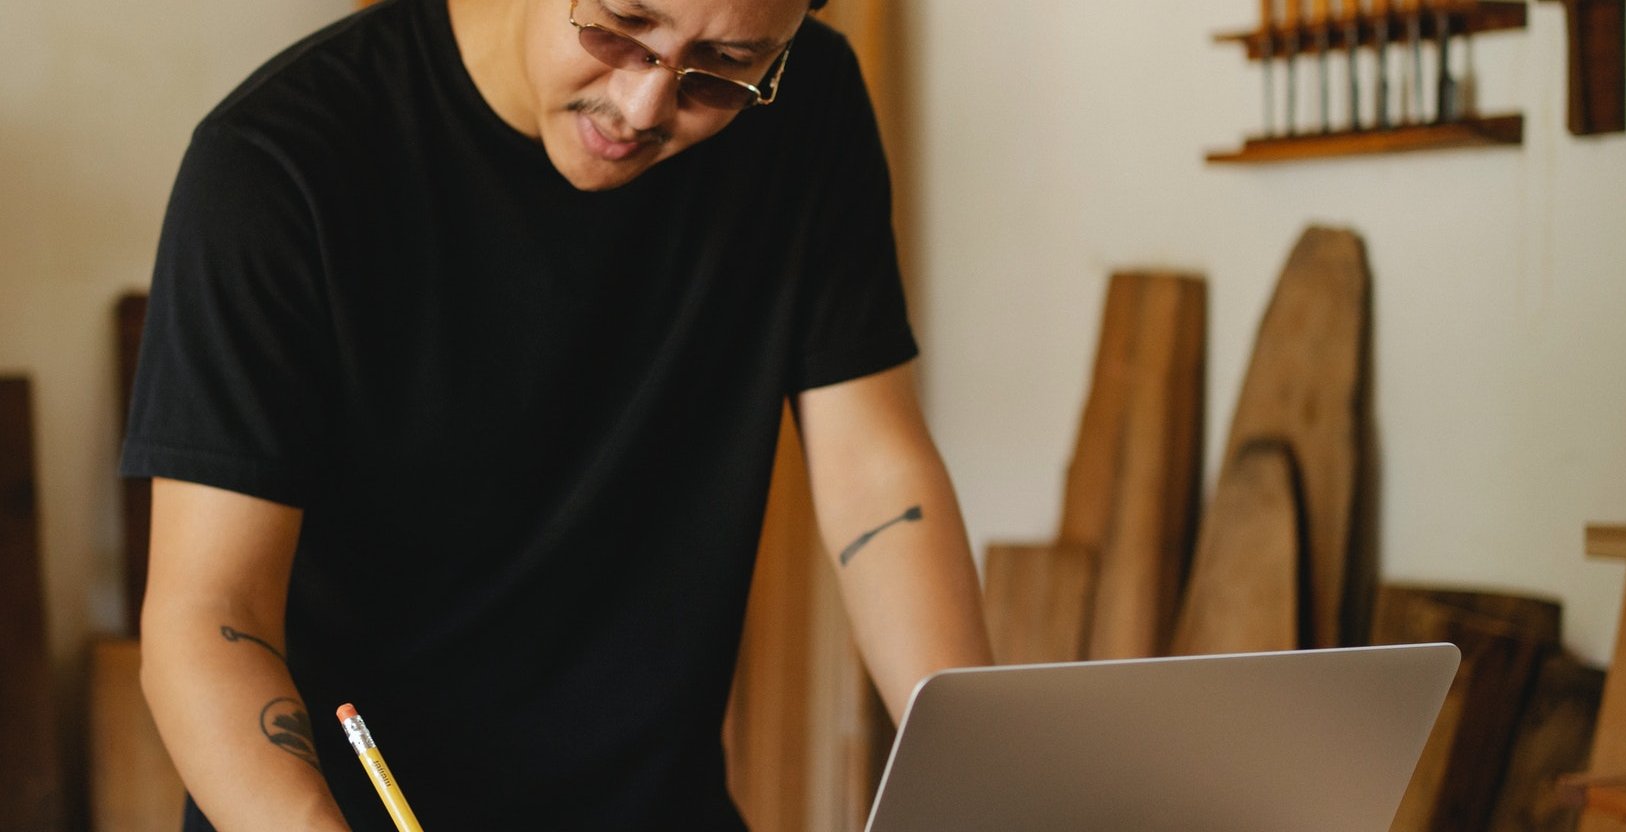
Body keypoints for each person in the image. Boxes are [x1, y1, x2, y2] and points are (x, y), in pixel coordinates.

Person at [122, 0, 993, 827]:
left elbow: (876, 476)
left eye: (724, 65)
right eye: (625, 25)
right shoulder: (281, 165)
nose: (644, 104)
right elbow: (209, 611)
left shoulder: (804, 108)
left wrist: (998, 782)